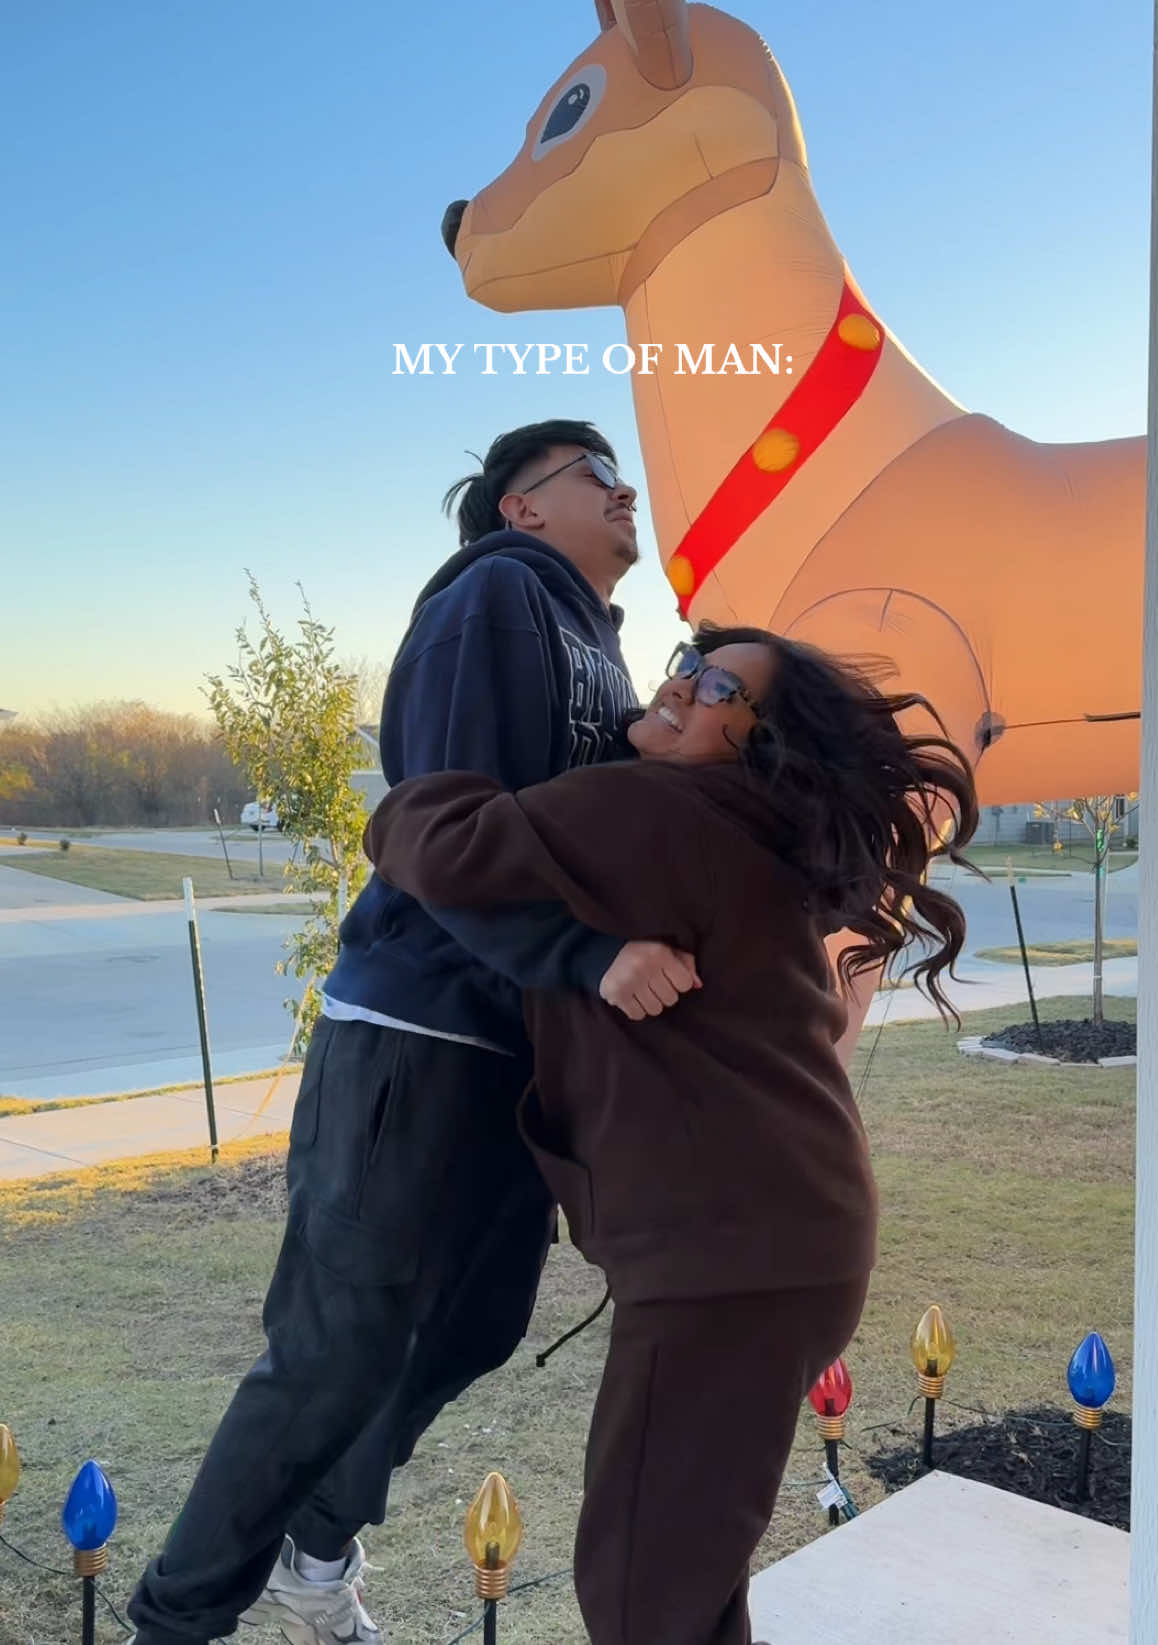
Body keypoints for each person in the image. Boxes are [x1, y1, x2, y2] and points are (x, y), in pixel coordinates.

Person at [128, 420, 701, 1645]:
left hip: (520, 1050)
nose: (625, 491)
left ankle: (313, 1550)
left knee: (478, 1325)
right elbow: (442, 825)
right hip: (416, 1025)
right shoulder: (496, 596)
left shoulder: (600, 646)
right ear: (520, 508)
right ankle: (175, 1622)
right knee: (333, 1352)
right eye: (595, 475)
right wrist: (582, 957)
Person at [362, 626, 980, 1645]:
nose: (682, 685)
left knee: (643, 1592)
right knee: (679, 1580)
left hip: (729, 1262)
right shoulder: (754, 825)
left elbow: (415, 829)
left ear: (763, 739)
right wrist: (585, 946)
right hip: (779, 1241)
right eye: (686, 664)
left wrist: (554, 863)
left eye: (719, 685)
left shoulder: (651, 809)